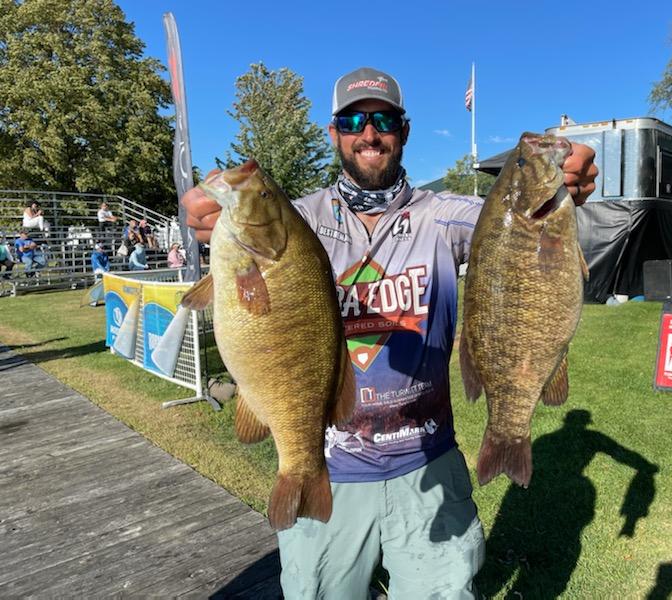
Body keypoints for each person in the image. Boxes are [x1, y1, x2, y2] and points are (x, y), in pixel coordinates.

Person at [181, 67, 598, 599]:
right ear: (334, 133)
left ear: (404, 131)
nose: (369, 133)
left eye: (384, 119)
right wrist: (210, 218)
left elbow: (511, 223)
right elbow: (227, 255)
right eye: (353, 120)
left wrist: (570, 180)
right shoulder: (294, 220)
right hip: (326, 460)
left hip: (428, 460)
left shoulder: (448, 215)